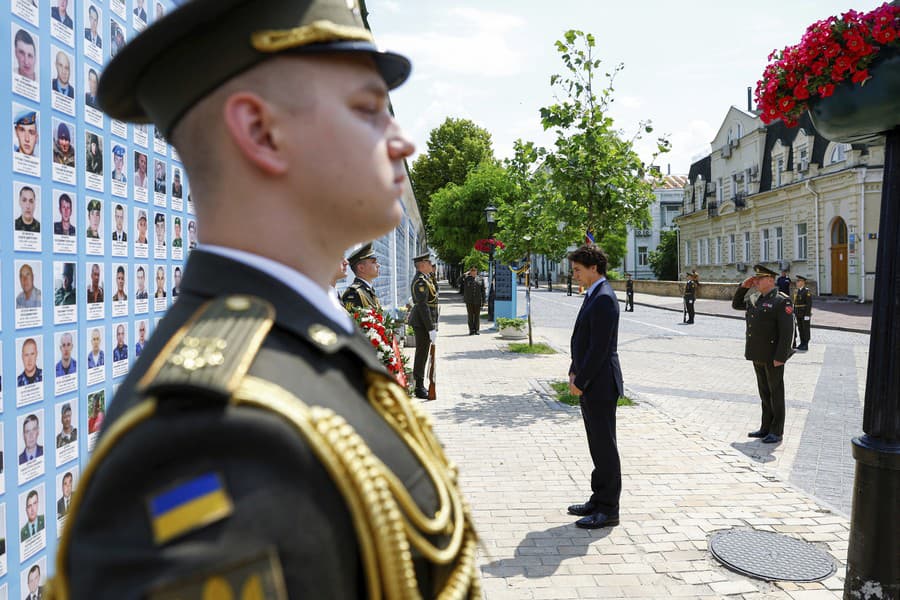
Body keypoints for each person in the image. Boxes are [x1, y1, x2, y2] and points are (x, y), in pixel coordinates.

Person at [57, 2, 479, 597]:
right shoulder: (216, 435)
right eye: (367, 110)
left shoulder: (307, 347)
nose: (403, 143)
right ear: (260, 132)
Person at [565, 245, 623, 529]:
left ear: (594, 269)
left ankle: (609, 509)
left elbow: (599, 349)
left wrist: (582, 380)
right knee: (596, 444)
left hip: (600, 384)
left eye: (577, 270)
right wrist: (573, 372)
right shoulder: (593, 294)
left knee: (605, 447)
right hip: (591, 382)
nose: (574, 275)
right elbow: (582, 341)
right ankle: (597, 498)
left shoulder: (604, 298)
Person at [732, 264, 795, 444]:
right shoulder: (756, 298)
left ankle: (777, 431)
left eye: (759, 279)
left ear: (770, 280)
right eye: (756, 279)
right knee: (764, 393)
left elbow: (786, 333)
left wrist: (780, 357)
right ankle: (765, 427)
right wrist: (743, 286)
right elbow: (736, 305)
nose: (756, 281)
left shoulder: (782, 301)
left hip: (772, 356)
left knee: (776, 393)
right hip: (758, 354)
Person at [409, 253, 438, 399]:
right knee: (421, 354)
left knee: (425, 353)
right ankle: (419, 387)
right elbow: (423, 306)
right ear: (421, 265)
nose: (430, 264)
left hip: (426, 321)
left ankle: (420, 384)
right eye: (428, 262)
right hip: (421, 322)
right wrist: (430, 328)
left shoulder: (426, 279)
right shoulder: (420, 281)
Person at [341, 242, 381, 310]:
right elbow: (352, 320)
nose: (378, 265)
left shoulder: (368, 290)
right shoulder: (354, 293)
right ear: (361, 268)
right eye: (374, 262)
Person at [461, 266, 485, 335]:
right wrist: (464, 274)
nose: (474, 272)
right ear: (470, 272)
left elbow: (483, 291)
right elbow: (458, 281)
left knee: (477, 316)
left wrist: (483, 301)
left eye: (475, 271)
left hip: (477, 300)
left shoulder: (480, 279)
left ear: (476, 271)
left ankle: (477, 330)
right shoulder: (466, 279)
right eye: (472, 271)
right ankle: (471, 330)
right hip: (469, 300)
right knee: (470, 316)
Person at [793, 274, 813, 351]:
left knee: (805, 329)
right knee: (801, 329)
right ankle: (802, 343)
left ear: (802, 282)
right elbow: (795, 303)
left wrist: (807, 315)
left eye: (798, 281)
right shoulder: (797, 291)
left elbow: (809, 304)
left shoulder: (806, 291)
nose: (796, 282)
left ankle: (806, 344)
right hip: (798, 313)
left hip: (804, 313)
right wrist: (794, 312)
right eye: (797, 281)